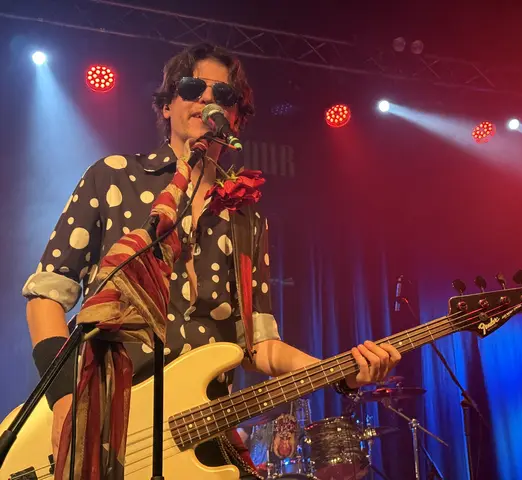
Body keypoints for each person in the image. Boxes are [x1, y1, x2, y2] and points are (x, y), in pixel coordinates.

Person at [22, 42, 401, 476]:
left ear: (235, 118)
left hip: (199, 435)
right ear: (167, 106)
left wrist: (339, 372)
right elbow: (46, 295)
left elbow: (258, 345)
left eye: (222, 94)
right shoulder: (112, 177)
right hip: (108, 420)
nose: (206, 99)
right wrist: (66, 403)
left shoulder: (246, 220)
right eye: (191, 88)